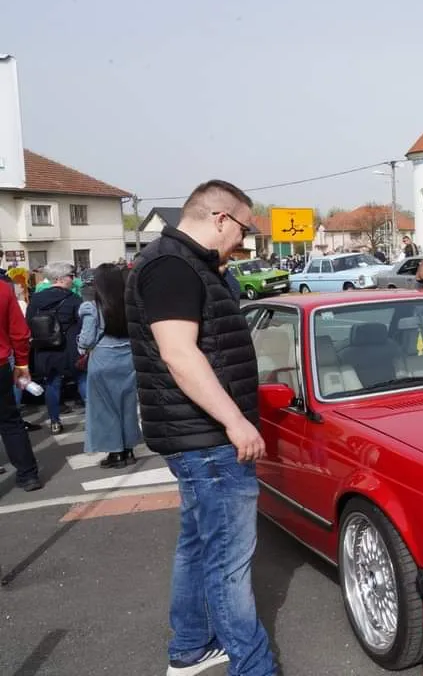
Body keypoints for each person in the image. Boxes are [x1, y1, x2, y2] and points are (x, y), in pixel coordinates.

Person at [127, 179, 275, 676]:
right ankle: (253, 667)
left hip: (197, 436)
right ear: (220, 219)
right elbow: (179, 354)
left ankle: (191, 646)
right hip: (208, 439)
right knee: (229, 564)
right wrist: (235, 421)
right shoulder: (172, 266)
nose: (244, 241)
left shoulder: (185, 263)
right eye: (244, 230)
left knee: (197, 546)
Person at [77, 263, 142, 469]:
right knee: (128, 406)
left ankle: (115, 452)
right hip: (128, 357)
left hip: (104, 358)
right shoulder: (130, 303)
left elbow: (87, 339)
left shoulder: (92, 306)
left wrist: (80, 347)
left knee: (105, 408)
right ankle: (129, 449)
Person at [26, 262, 85, 434]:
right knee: (82, 380)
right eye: (70, 276)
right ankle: (92, 418)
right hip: (70, 347)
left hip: (46, 347)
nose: (73, 279)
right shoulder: (74, 299)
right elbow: (82, 323)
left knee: (52, 383)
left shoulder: (36, 299)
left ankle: (54, 422)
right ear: (60, 278)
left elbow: (28, 321)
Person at [0, 276, 41, 490]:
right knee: (10, 421)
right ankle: (28, 474)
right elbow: (19, 332)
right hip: (0, 364)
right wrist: (22, 363)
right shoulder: (3, 289)